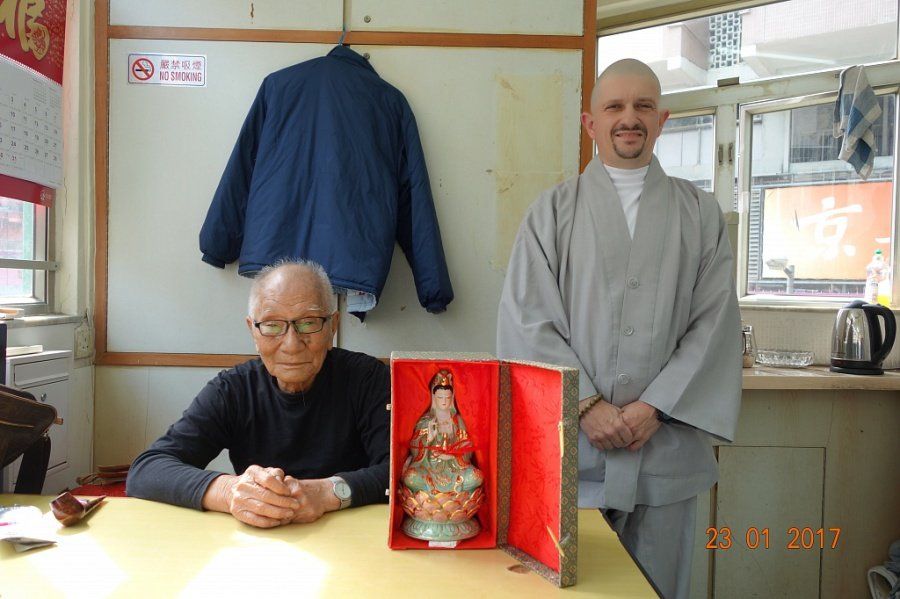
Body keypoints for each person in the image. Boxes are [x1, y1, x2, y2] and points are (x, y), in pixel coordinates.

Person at [496, 59, 741, 598]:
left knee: (660, 589)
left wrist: (655, 407)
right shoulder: (551, 213)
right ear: (590, 123)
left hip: (665, 455)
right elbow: (527, 322)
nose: (629, 118)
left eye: (643, 106)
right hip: (574, 457)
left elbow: (714, 322)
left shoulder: (700, 214)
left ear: (663, 120)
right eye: (615, 107)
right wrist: (586, 404)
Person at [127, 259, 390, 528]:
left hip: (351, 536)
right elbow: (147, 470)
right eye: (273, 326)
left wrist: (327, 493)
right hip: (256, 541)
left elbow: (403, 471)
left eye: (308, 323)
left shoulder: (367, 378)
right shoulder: (234, 389)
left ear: (332, 326)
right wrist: (230, 491)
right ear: (252, 330)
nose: (291, 344)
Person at [401, 370, 483, 494]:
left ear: (452, 398)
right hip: (429, 469)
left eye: (447, 397)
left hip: (455, 469)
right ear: (434, 397)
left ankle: (436, 498)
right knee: (410, 477)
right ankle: (448, 496)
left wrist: (454, 455)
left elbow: (468, 448)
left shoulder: (458, 421)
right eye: (440, 397)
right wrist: (428, 440)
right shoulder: (426, 421)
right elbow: (414, 449)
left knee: (476, 477)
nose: (444, 401)